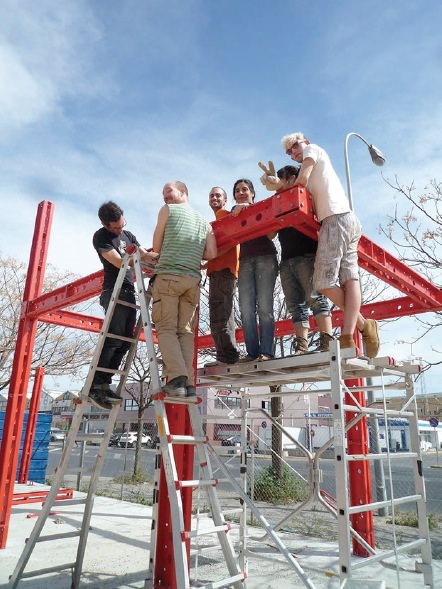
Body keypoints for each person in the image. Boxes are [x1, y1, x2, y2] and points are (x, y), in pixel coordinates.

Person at [281, 132, 380, 357]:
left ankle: (362, 327)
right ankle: (352, 333)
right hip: (349, 219)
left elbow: (302, 179)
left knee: (322, 282)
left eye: (294, 146)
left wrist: (286, 190)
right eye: (288, 152)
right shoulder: (319, 163)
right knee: (349, 278)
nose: (293, 152)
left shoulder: (311, 149)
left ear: (304, 140)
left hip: (334, 219)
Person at [89, 201, 158, 409]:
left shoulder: (128, 235)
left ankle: (104, 383)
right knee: (113, 339)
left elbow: (145, 255)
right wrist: (137, 259)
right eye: (116, 228)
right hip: (114, 291)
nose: (120, 229)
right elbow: (118, 261)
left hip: (128, 292)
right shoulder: (101, 237)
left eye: (122, 224)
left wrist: (164, 257)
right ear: (105, 224)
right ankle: (96, 385)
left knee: (126, 341)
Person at [152, 180, 217, 397]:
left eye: (168, 191)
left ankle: (177, 378)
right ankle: (188, 384)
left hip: (169, 276)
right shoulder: (204, 222)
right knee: (185, 332)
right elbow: (211, 254)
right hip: (192, 281)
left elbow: (157, 246)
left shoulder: (167, 210)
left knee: (166, 328)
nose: (165, 196)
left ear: (183, 192)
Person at [260, 163, 334, 354]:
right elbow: (270, 235)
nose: (277, 184)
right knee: (295, 305)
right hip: (287, 260)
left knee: (316, 298)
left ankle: (327, 340)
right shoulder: (279, 201)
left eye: (280, 180)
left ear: (291, 179)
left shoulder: (306, 194)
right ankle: (302, 344)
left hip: (307, 255)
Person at [231, 178, 278, 361]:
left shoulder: (261, 208)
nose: (241, 193)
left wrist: (249, 210)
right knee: (246, 308)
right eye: (237, 191)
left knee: (265, 306)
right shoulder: (234, 214)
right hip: (244, 261)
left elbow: (271, 234)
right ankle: (252, 353)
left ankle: (266, 351)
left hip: (265, 257)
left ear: (252, 193)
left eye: (245, 189)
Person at [205, 186, 240, 365]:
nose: (214, 198)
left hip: (223, 269)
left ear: (225, 200)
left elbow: (233, 241)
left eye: (218, 195)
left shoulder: (225, 216)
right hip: (218, 270)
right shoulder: (216, 220)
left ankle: (227, 356)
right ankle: (227, 354)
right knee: (223, 312)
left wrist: (210, 256)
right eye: (211, 195)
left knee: (220, 315)